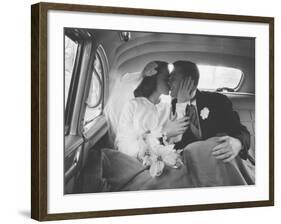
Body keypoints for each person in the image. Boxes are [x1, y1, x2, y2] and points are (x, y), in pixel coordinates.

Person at [167, 60, 254, 186]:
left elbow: (242, 132)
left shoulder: (217, 100)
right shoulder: (175, 106)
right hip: (196, 169)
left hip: (221, 165)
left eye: (173, 78)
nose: (168, 82)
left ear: (188, 81)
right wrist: (181, 104)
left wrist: (238, 143)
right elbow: (179, 146)